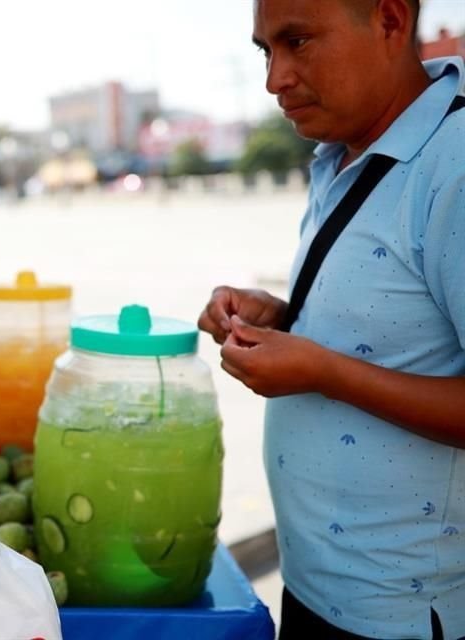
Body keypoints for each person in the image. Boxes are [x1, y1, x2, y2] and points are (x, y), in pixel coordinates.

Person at [199, 0, 465, 638]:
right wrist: (287, 320)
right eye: (266, 51)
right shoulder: (341, 154)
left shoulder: (453, 164)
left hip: (402, 612)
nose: (275, 78)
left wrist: (322, 370)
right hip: (318, 584)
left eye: (297, 41)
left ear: (391, 21)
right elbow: (400, 324)